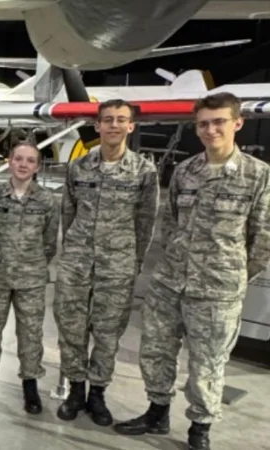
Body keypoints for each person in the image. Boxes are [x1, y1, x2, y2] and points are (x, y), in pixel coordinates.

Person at [113, 93, 270, 450]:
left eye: (219, 122)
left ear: (237, 123)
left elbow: (263, 240)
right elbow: (170, 224)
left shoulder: (258, 175)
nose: (210, 129)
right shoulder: (186, 171)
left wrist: (232, 277)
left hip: (217, 290)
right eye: (203, 123)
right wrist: (175, 262)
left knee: (207, 363)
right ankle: (157, 411)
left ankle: (200, 428)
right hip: (170, 283)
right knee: (155, 350)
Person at [54, 99, 160, 425]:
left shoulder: (144, 171)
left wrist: (135, 260)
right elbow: (68, 213)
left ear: (131, 126)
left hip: (118, 265)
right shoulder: (78, 168)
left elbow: (146, 222)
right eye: (107, 120)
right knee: (71, 328)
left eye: (121, 120)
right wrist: (70, 252)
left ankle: (97, 392)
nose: (113, 125)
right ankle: (75, 389)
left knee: (108, 332)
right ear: (97, 126)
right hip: (77, 262)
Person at [0, 142, 59, 413]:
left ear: (37, 166)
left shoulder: (47, 200)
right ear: (9, 161)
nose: (23, 164)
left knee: (30, 334)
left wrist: (34, 263)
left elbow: (50, 241)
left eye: (30, 160)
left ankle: (30, 386)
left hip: (31, 278)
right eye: (18, 159)